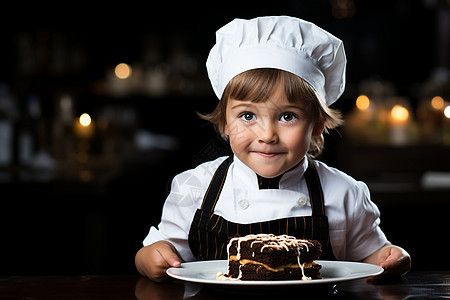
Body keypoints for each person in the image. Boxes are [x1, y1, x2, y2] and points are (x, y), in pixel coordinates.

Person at [135, 16, 411, 282]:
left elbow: (373, 257)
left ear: (316, 124)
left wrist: (393, 258)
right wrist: (149, 260)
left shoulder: (344, 192)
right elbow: (160, 250)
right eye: (247, 115)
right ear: (224, 123)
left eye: (288, 116)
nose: (267, 135)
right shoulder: (194, 187)